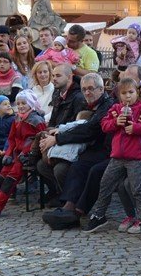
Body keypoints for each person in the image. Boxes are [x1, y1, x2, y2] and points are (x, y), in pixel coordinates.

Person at [82, 78, 141, 239]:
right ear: (119, 95)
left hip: (136, 157)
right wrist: (115, 122)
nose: (127, 96)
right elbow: (104, 125)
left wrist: (137, 128)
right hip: (117, 156)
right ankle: (99, 215)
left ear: (136, 93)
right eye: (124, 93)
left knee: (138, 189)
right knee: (105, 184)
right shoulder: (116, 108)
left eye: (131, 92)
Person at [39, 74, 114, 221]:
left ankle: (76, 209)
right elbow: (78, 126)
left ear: (101, 89)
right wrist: (58, 133)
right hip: (91, 147)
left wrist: (57, 139)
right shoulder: (88, 104)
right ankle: (68, 205)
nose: (87, 93)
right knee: (53, 165)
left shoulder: (107, 105)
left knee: (80, 167)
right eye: (84, 89)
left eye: (91, 89)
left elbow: (91, 130)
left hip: (107, 149)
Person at [0, 91, 48, 219]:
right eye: (18, 104)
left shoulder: (36, 120)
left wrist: (26, 154)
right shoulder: (17, 118)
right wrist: (8, 154)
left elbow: (39, 139)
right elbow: (12, 138)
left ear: (30, 104)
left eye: (23, 103)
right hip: (16, 154)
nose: (21, 106)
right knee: (2, 175)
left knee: (10, 178)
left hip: (28, 156)